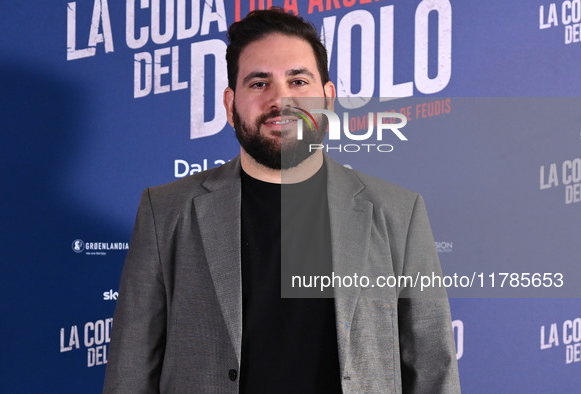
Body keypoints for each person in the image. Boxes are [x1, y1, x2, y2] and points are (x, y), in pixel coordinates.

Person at [103, 8, 460, 394]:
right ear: (229, 104)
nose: (280, 100)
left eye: (298, 80)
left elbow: (433, 369)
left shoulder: (398, 213)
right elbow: (131, 373)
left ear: (328, 98)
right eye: (258, 83)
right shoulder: (166, 211)